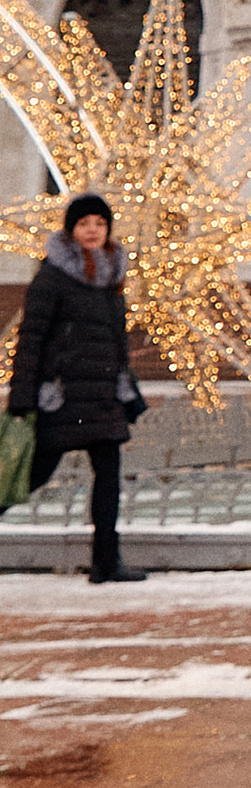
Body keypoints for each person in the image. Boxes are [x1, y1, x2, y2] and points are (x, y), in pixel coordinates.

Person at [8, 190, 147, 584]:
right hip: (63, 397)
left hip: (103, 396)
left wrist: (129, 392)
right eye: (84, 224)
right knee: (32, 475)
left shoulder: (112, 279)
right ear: (71, 230)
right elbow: (31, 339)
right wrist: (22, 399)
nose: (92, 230)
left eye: (100, 224)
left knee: (109, 478)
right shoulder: (51, 278)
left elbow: (117, 344)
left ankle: (106, 561)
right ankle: (106, 561)